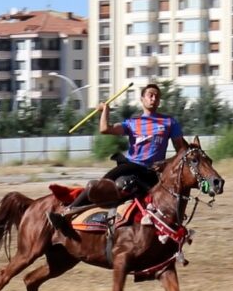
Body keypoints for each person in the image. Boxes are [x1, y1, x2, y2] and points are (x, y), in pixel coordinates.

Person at [47, 83, 186, 235]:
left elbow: (181, 151)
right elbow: (105, 129)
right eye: (150, 95)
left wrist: (165, 164)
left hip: (153, 172)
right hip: (132, 166)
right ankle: (67, 211)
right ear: (142, 99)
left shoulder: (169, 122)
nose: (154, 98)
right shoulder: (133, 123)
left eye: (157, 96)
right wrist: (105, 110)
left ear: (159, 101)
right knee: (100, 185)